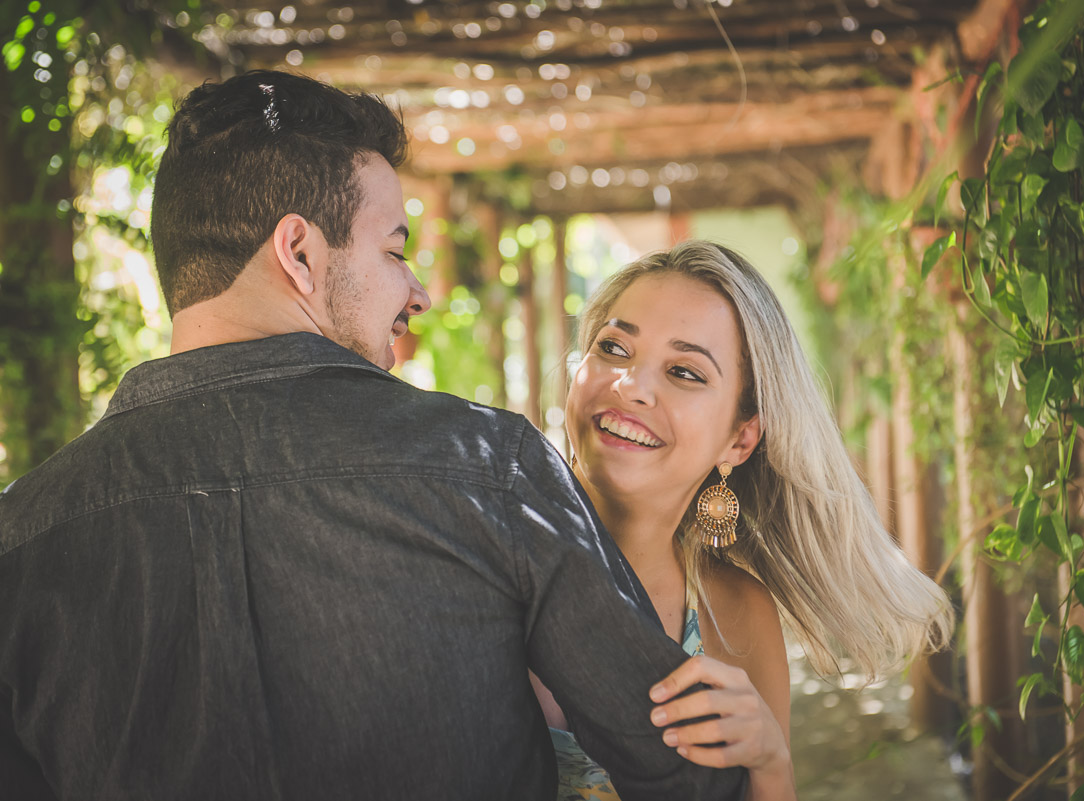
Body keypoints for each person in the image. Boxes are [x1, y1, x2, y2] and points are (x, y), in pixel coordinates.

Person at [0, 71, 747, 801]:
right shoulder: (489, 468)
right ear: (299, 252)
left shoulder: (19, 543)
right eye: (394, 250)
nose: (417, 291)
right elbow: (688, 774)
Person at [532, 241, 955, 800]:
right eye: (613, 347)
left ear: (740, 438)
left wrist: (771, 762)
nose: (630, 385)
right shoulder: (481, 551)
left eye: (684, 371)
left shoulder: (734, 616)